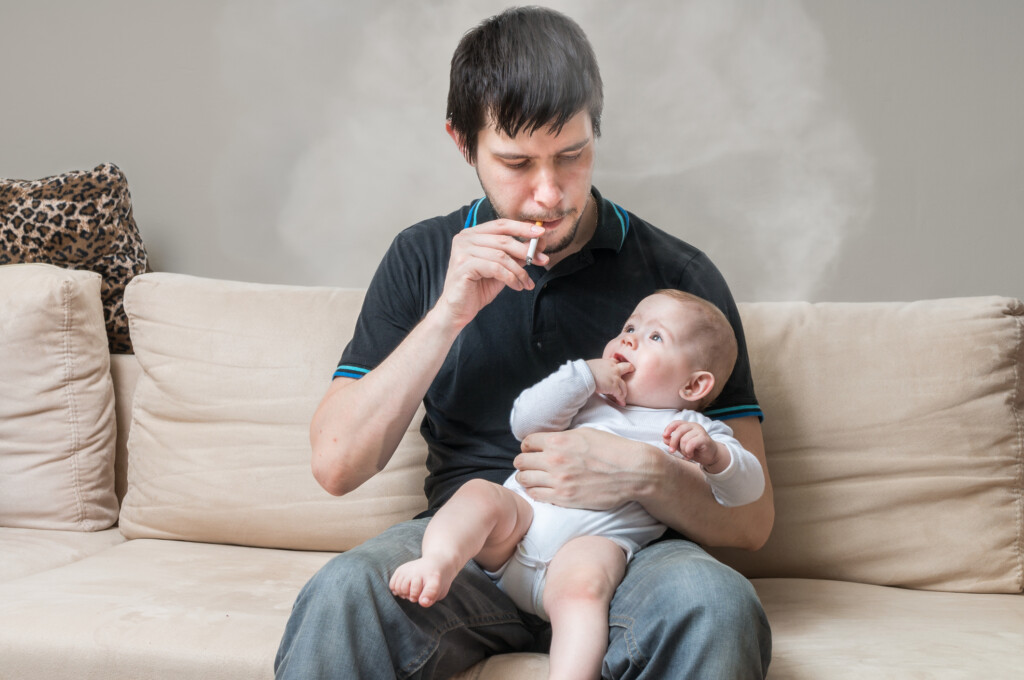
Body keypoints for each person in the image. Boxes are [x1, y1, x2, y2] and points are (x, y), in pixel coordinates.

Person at [275, 6, 773, 679]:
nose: (547, 194)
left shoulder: (679, 280)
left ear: (598, 126)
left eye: (572, 155)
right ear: (463, 143)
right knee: (343, 594)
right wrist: (449, 313)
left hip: (626, 555)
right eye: (515, 162)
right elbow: (336, 465)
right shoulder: (423, 256)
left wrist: (643, 474)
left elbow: (753, 523)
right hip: (478, 543)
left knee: (715, 604)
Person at [389, 290, 766, 680]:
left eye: (656, 337)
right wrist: (582, 376)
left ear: (693, 387)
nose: (629, 339)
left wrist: (716, 457)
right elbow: (525, 422)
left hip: (586, 550)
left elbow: (745, 492)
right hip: (515, 529)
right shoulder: (589, 401)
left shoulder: (697, 431)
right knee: (480, 494)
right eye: (630, 327)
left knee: (586, 594)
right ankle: (437, 561)